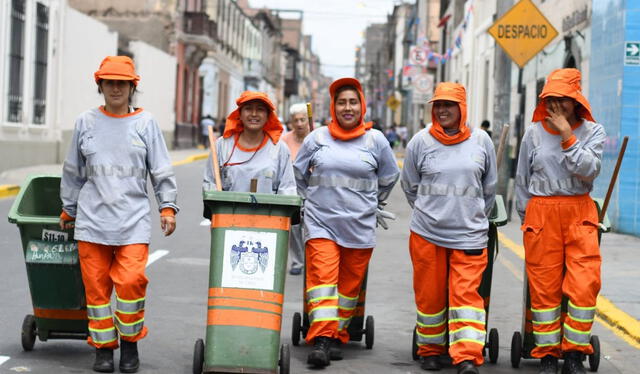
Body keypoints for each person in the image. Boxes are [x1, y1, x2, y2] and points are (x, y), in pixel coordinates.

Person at [60, 56, 178, 373]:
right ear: (100, 85)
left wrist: (167, 206)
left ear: (131, 87)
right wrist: (68, 208)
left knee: (130, 283)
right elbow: (73, 171)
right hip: (91, 221)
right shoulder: (85, 122)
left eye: (121, 83)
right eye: (109, 82)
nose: (115, 88)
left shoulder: (146, 123)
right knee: (97, 291)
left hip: (132, 221)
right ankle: (103, 349)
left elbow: (161, 170)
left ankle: (130, 344)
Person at [294, 78, 400, 368]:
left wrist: (372, 202)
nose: (347, 107)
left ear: (361, 105)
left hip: (359, 224)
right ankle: (322, 340)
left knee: (348, 289)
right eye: (342, 102)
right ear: (333, 106)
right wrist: (308, 201)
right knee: (323, 281)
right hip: (321, 222)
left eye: (353, 102)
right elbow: (298, 173)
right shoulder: (317, 138)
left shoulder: (375, 140)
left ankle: (337, 334)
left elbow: (390, 176)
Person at [401, 82, 497, 374]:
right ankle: (430, 350)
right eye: (438, 105)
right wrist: (431, 211)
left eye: (449, 105)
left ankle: (466, 356)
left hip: (469, 234)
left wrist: (472, 214)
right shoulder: (420, 141)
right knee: (430, 297)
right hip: (427, 233)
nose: (442, 110)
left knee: (466, 298)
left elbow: (489, 188)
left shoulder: (482, 142)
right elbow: (410, 186)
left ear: (462, 108)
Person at [515, 68, 606, 374]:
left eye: (564, 99)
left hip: (579, 210)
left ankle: (574, 355)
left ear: (576, 100)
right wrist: (526, 218)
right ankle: (549, 355)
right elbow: (522, 180)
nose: (557, 105)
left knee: (584, 285)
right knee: (544, 288)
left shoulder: (593, 132)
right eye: (551, 99)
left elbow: (588, 171)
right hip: (541, 212)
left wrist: (567, 135)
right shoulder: (533, 133)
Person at [203, 91, 296, 196]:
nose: (254, 114)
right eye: (248, 108)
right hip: (228, 212)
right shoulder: (222, 145)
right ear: (240, 115)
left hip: (269, 212)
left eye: (260, 109)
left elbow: (288, 190)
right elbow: (209, 185)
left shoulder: (280, 149)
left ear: (268, 116)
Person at [281, 103, 312, 275]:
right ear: (291, 123)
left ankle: (312, 260)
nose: (299, 123)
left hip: (314, 192)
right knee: (294, 228)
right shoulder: (285, 141)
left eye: (302, 120)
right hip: (292, 192)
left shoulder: (316, 138)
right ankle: (298, 262)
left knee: (311, 228)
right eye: (296, 120)